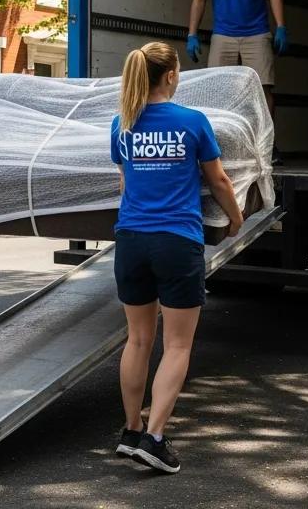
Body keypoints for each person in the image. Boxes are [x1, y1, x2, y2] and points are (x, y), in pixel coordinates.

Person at [110, 42, 244, 474]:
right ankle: (156, 438)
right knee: (178, 343)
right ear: (170, 76)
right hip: (176, 241)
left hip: (131, 240)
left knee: (137, 340)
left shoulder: (121, 125)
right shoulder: (192, 122)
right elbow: (219, 179)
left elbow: (124, 184)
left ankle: (132, 430)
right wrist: (236, 217)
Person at [187, 0, 287, 163]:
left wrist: (281, 26)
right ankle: (217, 146)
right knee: (215, 89)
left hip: (257, 32)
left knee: (264, 89)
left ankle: (267, 145)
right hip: (223, 35)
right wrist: (192, 34)